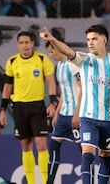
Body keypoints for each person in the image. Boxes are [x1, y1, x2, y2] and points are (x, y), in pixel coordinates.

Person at [40, 24, 110, 184]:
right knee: (87, 155)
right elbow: (68, 51)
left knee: (105, 157)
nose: (90, 42)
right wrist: (52, 39)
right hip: (88, 117)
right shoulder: (83, 60)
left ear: (104, 40)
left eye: (94, 39)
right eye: (88, 39)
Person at [0, 31, 57, 184]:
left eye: (27, 42)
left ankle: (46, 181)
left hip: (38, 106)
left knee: (41, 144)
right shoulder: (12, 62)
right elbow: (7, 87)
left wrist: (52, 102)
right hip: (19, 107)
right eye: (21, 43)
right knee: (25, 146)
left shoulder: (42, 59)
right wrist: (3, 109)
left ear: (32, 43)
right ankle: (31, 182)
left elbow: (51, 82)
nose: (25, 45)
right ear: (18, 45)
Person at [45, 39, 82, 184]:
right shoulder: (59, 66)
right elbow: (64, 93)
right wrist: (57, 112)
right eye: (49, 52)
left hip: (75, 114)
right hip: (64, 115)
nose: (51, 54)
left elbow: (82, 90)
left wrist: (77, 114)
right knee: (53, 145)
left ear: (60, 49)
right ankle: (50, 181)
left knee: (85, 151)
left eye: (52, 51)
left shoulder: (73, 64)